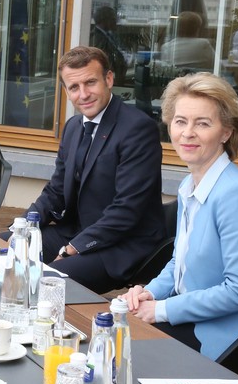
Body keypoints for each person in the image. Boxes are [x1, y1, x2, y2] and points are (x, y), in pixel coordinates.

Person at [121, 72, 238, 360]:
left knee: (126, 352)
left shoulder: (236, 195)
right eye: (180, 121)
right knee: (115, 336)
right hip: (198, 317)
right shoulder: (191, 185)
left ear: (226, 132)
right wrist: (151, 293)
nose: (187, 133)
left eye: (203, 123)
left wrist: (161, 310)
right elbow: (179, 262)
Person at [23, 46, 166, 294]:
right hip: (78, 231)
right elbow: (56, 190)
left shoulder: (137, 129)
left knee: (48, 284)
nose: (84, 94)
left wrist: (73, 248)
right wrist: (24, 225)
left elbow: (127, 209)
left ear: (108, 80)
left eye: (91, 83)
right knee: (8, 249)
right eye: (74, 87)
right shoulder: (73, 127)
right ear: (66, 91)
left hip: (121, 245)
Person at [90, 6, 128, 86]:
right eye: (113, 19)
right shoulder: (97, 38)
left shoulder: (108, 35)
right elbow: (102, 60)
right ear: (105, 20)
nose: (116, 22)